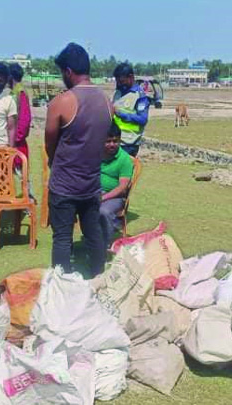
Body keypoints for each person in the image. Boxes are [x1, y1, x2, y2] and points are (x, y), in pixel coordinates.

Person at [45, 43, 113, 277]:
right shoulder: (106, 102)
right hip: (92, 184)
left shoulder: (61, 103)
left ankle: (61, 287)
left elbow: (50, 144)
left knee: (62, 238)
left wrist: (55, 163)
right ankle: (98, 278)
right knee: (93, 233)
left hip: (65, 185)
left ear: (68, 71)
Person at [99, 122, 134, 247]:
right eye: (108, 141)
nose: (112, 144)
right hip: (95, 191)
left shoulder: (124, 159)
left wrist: (103, 197)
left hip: (115, 196)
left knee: (103, 211)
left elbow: (123, 187)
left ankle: (104, 245)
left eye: (115, 141)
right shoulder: (95, 153)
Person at [112, 63, 151, 157]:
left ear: (131, 77)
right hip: (115, 141)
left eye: (121, 81)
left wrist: (121, 114)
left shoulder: (139, 96)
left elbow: (143, 119)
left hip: (129, 144)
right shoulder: (118, 92)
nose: (119, 84)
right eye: (117, 81)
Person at [8, 63, 32, 172]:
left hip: (17, 145)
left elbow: (24, 120)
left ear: (10, 76)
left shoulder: (20, 93)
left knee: (23, 182)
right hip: (10, 143)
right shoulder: (12, 93)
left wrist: (15, 139)